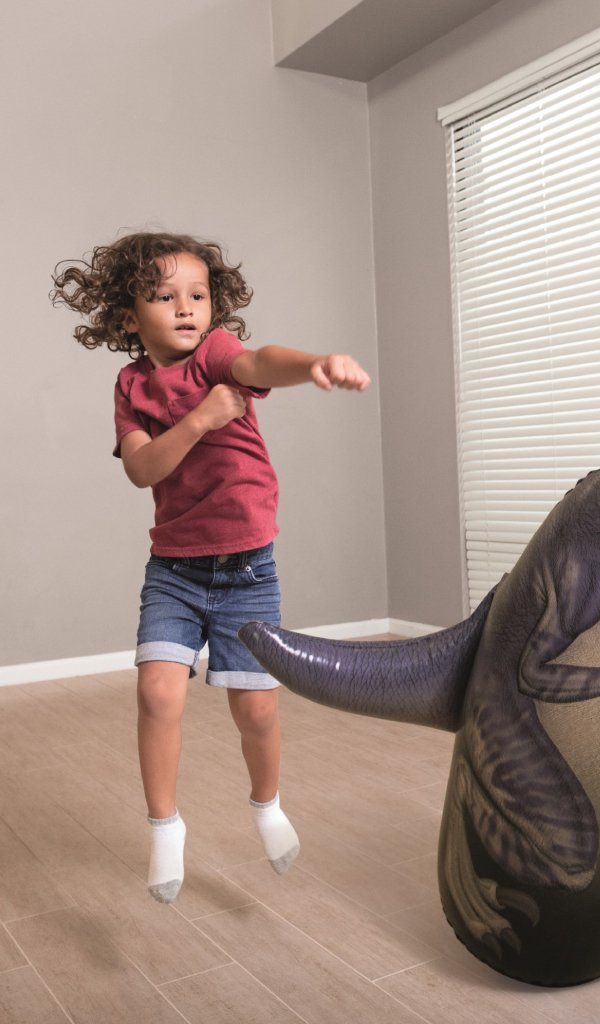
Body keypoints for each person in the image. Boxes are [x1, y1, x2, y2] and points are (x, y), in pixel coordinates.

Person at [51, 232, 371, 903]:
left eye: (197, 295)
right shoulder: (131, 385)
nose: (186, 307)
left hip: (247, 572)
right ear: (128, 316)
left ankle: (266, 805)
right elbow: (143, 469)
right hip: (174, 572)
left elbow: (261, 360)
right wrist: (200, 420)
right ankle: (165, 828)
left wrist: (315, 363)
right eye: (164, 296)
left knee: (255, 712)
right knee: (157, 693)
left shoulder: (217, 355)